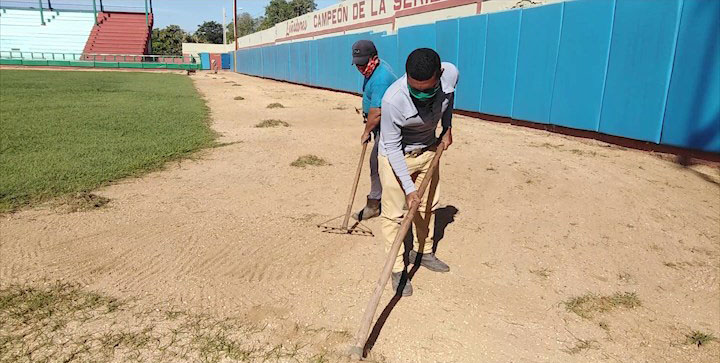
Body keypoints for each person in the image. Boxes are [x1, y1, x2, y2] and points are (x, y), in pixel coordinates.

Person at [378, 48, 458, 297]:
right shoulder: (393, 100)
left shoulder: (451, 74)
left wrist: (447, 126)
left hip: (428, 150)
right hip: (396, 156)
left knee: (428, 207)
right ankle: (398, 270)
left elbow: (449, 98)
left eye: (427, 90)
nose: (421, 95)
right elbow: (391, 146)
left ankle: (422, 252)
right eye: (415, 89)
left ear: (440, 75)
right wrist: (409, 189)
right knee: (394, 216)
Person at [350, 40, 397, 221]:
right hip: (381, 124)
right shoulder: (373, 70)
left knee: (377, 162)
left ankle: (374, 205)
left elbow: (377, 112)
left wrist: (366, 131)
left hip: (389, 126)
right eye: (357, 63)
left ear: (374, 58)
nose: (360, 67)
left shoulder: (381, 78)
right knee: (381, 163)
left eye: (363, 63)